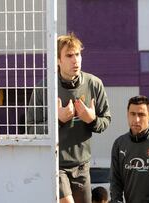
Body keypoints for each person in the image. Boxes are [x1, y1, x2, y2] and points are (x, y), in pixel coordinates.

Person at [27, 33, 111, 203]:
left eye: (78, 54)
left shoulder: (94, 84)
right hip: (56, 164)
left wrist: (92, 119)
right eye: (69, 55)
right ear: (58, 60)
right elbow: (30, 130)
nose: (75, 60)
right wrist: (58, 120)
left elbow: (106, 121)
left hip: (82, 166)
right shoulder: (44, 87)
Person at [109, 95, 149, 203]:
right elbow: (115, 181)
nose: (136, 119)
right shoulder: (119, 144)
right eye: (132, 114)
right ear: (127, 115)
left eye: (141, 115)